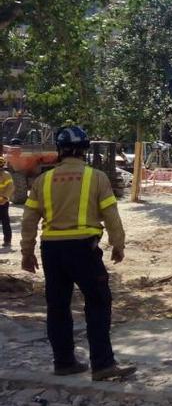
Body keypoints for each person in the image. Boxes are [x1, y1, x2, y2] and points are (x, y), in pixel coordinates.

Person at [20, 126, 135, 381]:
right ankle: (103, 364)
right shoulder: (96, 178)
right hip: (84, 248)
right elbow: (111, 214)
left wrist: (26, 253)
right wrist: (118, 244)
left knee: (57, 307)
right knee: (98, 302)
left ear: (60, 150)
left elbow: (29, 220)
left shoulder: (43, 180)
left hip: (52, 250)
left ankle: (64, 362)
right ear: (85, 150)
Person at [0, 157, 13, 248]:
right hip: (3, 202)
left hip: (3, 203)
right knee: (5, 222)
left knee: (5, 222)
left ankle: (7, 241)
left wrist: (4, 198)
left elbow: (10, 187)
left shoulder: (6, 175)